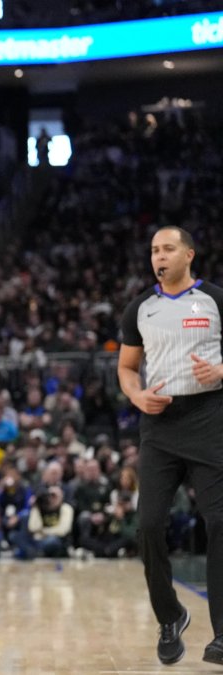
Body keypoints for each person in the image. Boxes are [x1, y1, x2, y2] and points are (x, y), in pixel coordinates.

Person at [118, 225, 223, 666]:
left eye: (167, 248)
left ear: (189, 255)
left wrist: (221, 373)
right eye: (154, 250)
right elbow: (126, 367)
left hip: (209, 419)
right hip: (159, 427)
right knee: (148, 525)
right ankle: (170, 615)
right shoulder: (140, 307)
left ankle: (222, 635)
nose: (158, 256)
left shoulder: (216, 298)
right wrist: (137, 395)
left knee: (219, 522)